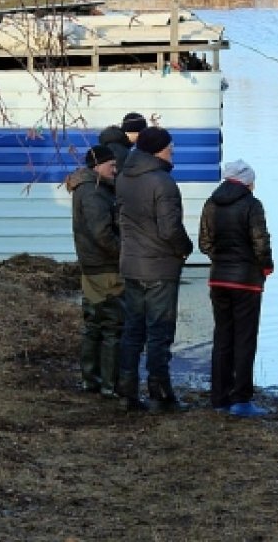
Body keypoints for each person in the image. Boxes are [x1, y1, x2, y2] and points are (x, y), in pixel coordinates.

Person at [115, 126, 194, 412]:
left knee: (133, 330)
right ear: (158, 150)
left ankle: (126, 392)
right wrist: (185, 248)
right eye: (169, 147)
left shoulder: (124, 177)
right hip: (159, 267)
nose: (172, 152)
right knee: (160, 332)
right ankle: (160, 394)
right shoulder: (163, 183)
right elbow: (170, 228)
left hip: (132, 264)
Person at [199, 159, 274, 417]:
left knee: (222, 337)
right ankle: (241, 399)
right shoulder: (252, 205)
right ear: (246, 181)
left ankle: (219, 398)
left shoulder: (211, 203)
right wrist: (266, 267)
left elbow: (204, 243)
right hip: (246, 281)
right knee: (244, 339)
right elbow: (260, 243)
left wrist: (220, 259)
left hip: (218, 278)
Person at [70, 145, 123, 397]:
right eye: (111, 165)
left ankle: (91, 379)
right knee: (111, 326)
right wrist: (125, 254)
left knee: (94, 324)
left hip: (92, 266)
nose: (115, 169)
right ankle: (109, 384)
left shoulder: (88, 189)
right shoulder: (94, 193)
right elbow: (102, 234)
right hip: (105, 269)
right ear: (97, 166)